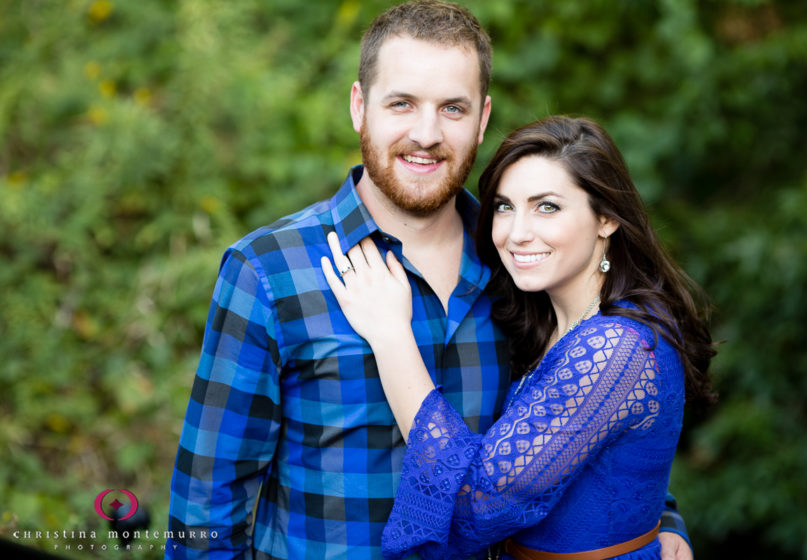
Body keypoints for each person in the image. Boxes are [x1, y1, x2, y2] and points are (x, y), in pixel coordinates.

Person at [166, 1, 694, 558]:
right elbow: (205, 507)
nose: (426, 133)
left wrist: (658, 517)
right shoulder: (271, 271)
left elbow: (579, 422)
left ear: (482, 118)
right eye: (402, 103)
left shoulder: (519, 265)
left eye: (452, 108)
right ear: (359, 107)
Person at [321, 115, 716, 560]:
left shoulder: (616, 347)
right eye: (505, 207)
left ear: (606, 218)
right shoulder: (548, 321)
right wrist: (664, 519)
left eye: (547, 206)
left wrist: (392, 337)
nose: (517, 233)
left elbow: (480, 503)